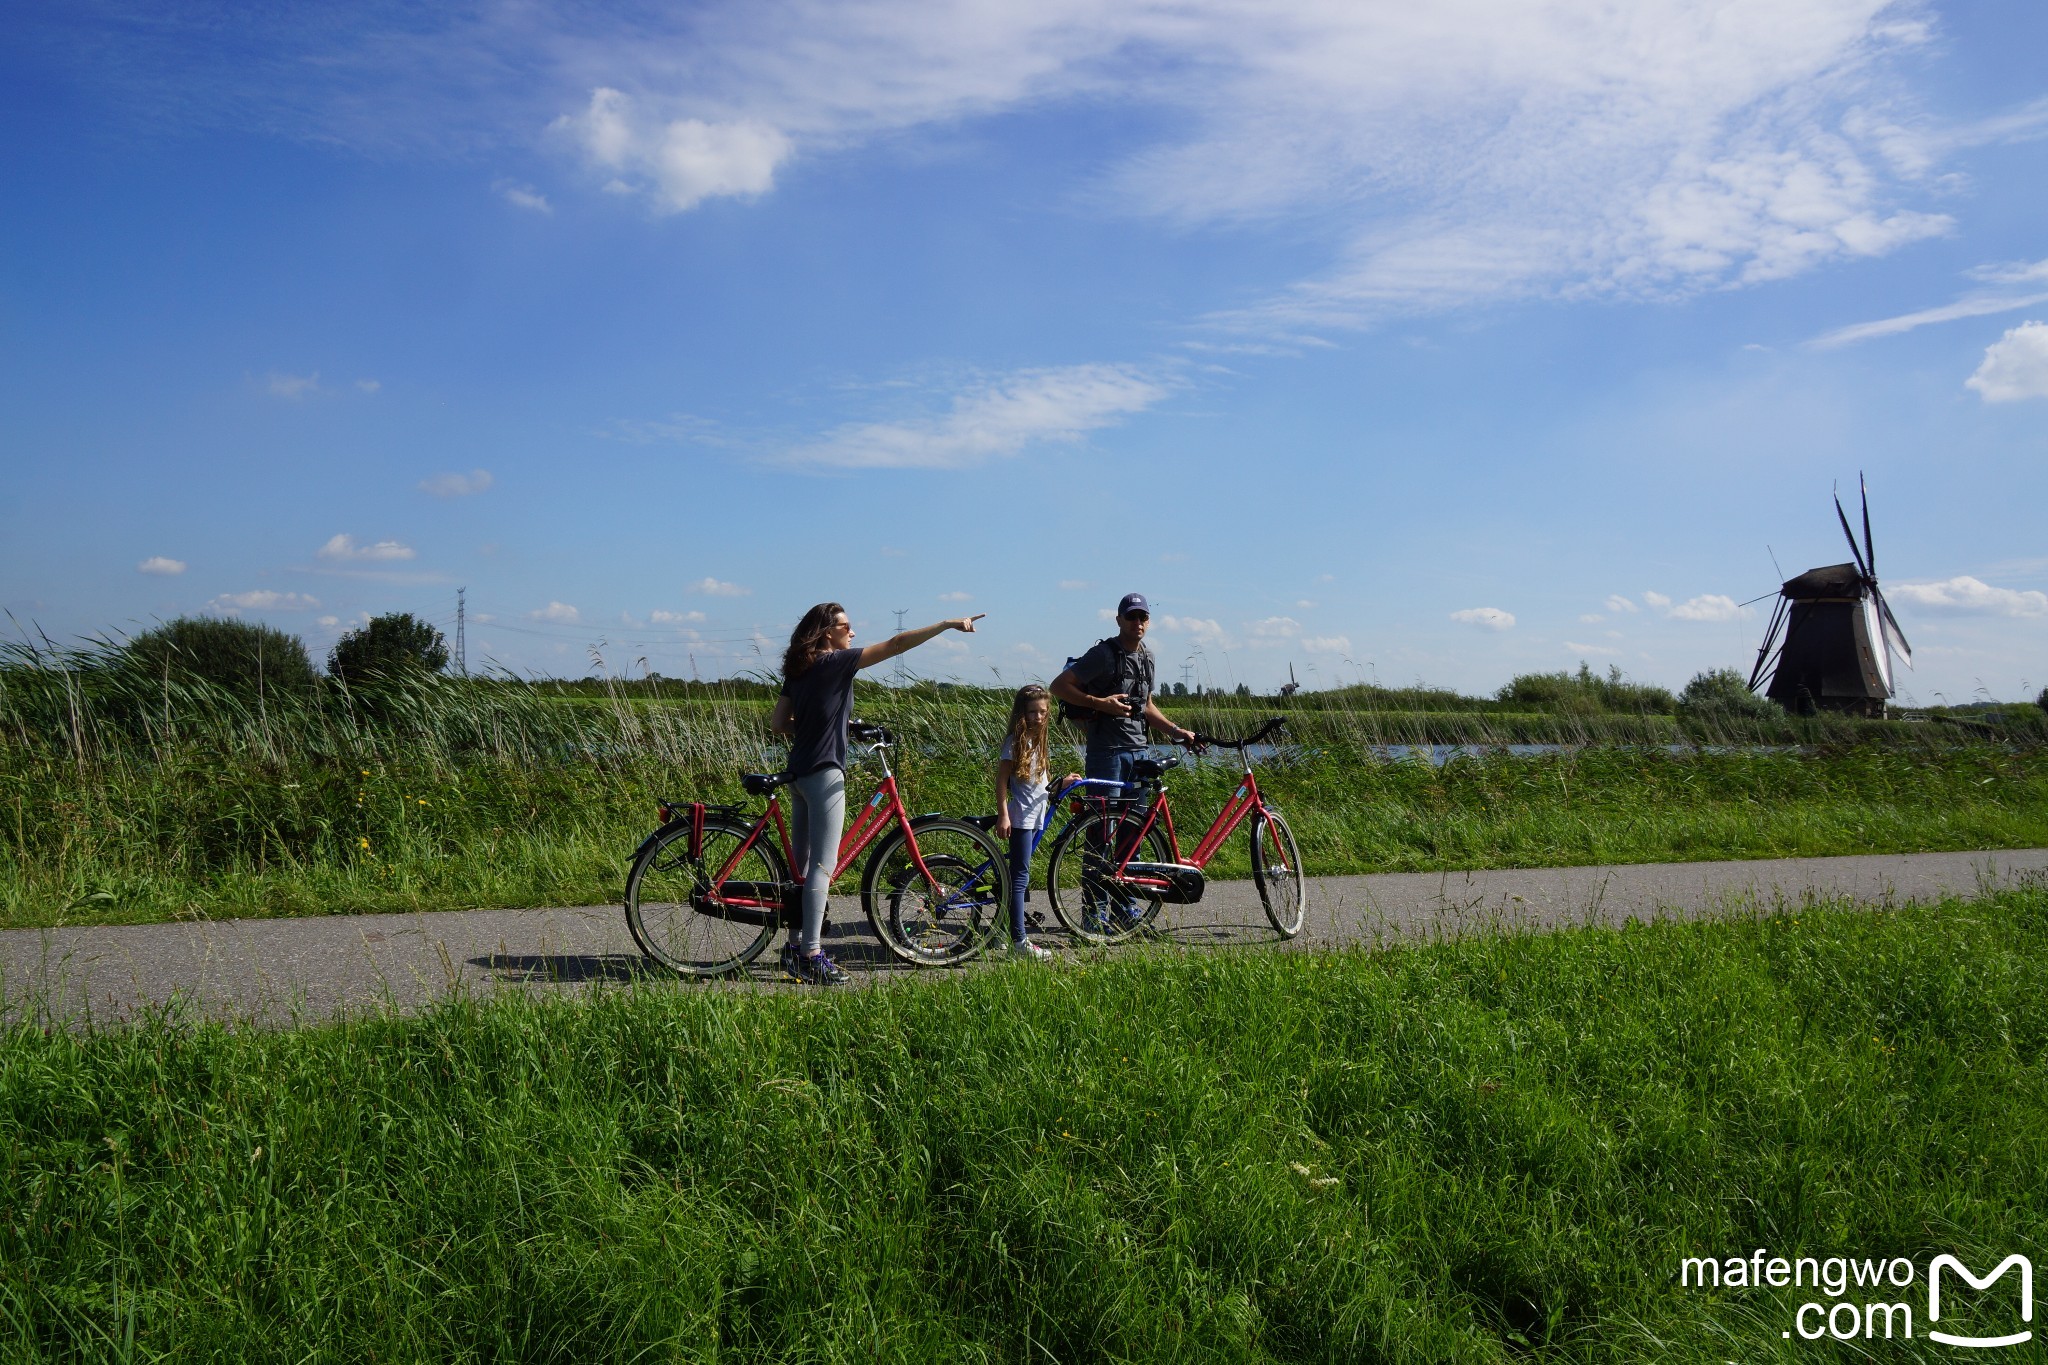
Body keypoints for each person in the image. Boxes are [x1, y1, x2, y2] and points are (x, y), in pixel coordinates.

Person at [769, 603, 983, 984]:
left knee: (801, 868)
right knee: (822, 866)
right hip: (824, 773)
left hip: (798, 772)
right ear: (826, 632)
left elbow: (778, 723)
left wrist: (837, 723)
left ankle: (794, 944)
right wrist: (947, 624)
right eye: (845, 626)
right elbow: (897, 643)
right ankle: (812, 953)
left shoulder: (798, 668)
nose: (852, 632)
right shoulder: (835, 662)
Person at [1049, 593, 1196, 929]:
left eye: (1143, 617)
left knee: (1134, 834)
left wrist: (1176, 730)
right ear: (1119, 621)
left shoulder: (1148, 658)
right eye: (1131, 617)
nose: (1138, 623)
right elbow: (1059, 686)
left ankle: (1124, 907)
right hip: (1107, 754)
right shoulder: (1102, 654)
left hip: (1139, 753)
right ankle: (1092, 912)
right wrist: (1101, 704)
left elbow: (1146, 706)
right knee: (1101, 832)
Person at [991, 684, 1080, 962]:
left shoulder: (1037, 740)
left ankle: (1000, 935)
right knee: (1019, 878)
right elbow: (1002, 781)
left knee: (1015, 876)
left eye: (1043, 711)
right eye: (1032, 712)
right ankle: (1019, 941)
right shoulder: (1014, 742)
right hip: (1020, 817)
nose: (1038, 717)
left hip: (1034, 816)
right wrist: (1003, 814)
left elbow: (1038, 785)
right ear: (1022, 713)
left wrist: (1062, 783)